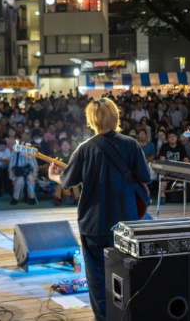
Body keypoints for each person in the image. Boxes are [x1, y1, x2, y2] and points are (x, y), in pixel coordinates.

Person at [48, 98, 151, 321]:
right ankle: (128, 314)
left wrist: (53, 174)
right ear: (116, 117)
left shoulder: (85, 149)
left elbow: (67, 181)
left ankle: (103, 317)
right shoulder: (131, 144)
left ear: (91, 120)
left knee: (96, 275)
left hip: (93, 222)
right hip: (125, 222)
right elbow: (145, 176)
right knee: (126, 272)